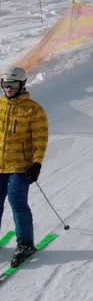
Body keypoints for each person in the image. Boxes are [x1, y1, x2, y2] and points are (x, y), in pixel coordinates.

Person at [1, 66, 48, 268]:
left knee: (17, 202)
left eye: (12, 85)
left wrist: (36, 163)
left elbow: (40, 139)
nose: (8, 88)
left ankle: (26, 244)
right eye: (5, 84)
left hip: (21, 166)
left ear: (22, 85)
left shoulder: (33, 110)